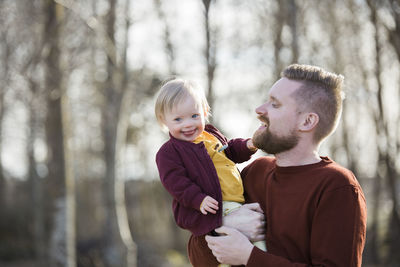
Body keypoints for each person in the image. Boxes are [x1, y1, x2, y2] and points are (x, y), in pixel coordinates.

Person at [193, 64, 367, 266]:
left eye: (274, 105)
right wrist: (222, 225)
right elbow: (198, 258)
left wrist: (250, 257)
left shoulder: (337, 187)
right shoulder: (254, 172)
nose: (259, 110)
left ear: (307, 121)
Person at [154, 78, 266, 266]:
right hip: (214, 206)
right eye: (178, 119)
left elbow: (229, 150)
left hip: (238, 202)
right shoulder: (169, 152)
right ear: (164, 120)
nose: (188, 124)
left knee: (259, 246)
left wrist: (249, 144)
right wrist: (198, 199)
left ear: (205, 113)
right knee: (227, 250)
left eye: (194, 116)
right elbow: (176, 183)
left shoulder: (211, 135)